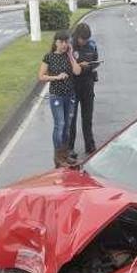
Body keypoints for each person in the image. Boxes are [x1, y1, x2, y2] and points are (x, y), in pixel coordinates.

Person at [38, 30, 82, 167]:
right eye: (61, 42)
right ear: (56, 42)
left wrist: (71, 56)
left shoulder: (69, 56)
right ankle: (58, 156)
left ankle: (65, 154)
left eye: (66, 42)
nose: (64, 45)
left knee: (68, 126)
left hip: (70, 95)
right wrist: (56, 77)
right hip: (57, 95)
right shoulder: (49, 57)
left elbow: (77, 71)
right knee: (60, 124)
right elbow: (41, 76)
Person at [69, 23, 99, 158]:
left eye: (86, 39)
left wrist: (90, 66)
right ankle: (69, 148)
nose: (84, 42)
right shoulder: (68, 46)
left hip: (87, 85)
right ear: (76, 36)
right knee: (71, 119)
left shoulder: (92, 45)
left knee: (87, 118)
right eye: (82, 39)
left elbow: (95, 61)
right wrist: (79, 66)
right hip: (72, 87)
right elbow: (62, 66)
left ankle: (90, 145)